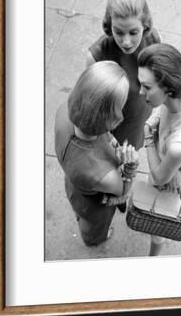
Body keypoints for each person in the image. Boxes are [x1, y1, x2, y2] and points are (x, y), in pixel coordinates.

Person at [55, 61, 139, 247]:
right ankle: (95, 238)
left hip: (74, 184)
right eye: (122, 104)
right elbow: (122, 190)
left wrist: (111, 141)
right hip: (93, 205)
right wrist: (131, 166)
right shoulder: (103, 175)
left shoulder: (64, 111)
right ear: (110, 119)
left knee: (80, 211)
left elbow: (101, 131)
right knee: (93, 226)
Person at [138, 43, 181, 256]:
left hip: (168, 179)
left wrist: (148, 136)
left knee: (158, 223)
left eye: (147, 87)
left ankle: (152, 259)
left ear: (169, 88)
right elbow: (164, 110)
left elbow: (158, 177)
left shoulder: (179, 145)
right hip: (174, 167)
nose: (140, 92)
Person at [86, 0, 161, 150]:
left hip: (140, 122)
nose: (126, 42)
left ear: (145, 26)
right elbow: (92, 110)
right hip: (111, 134)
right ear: (109, 25)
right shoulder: (97, 57)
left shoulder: (154, 39)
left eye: (133, 32)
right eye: (118, 32)